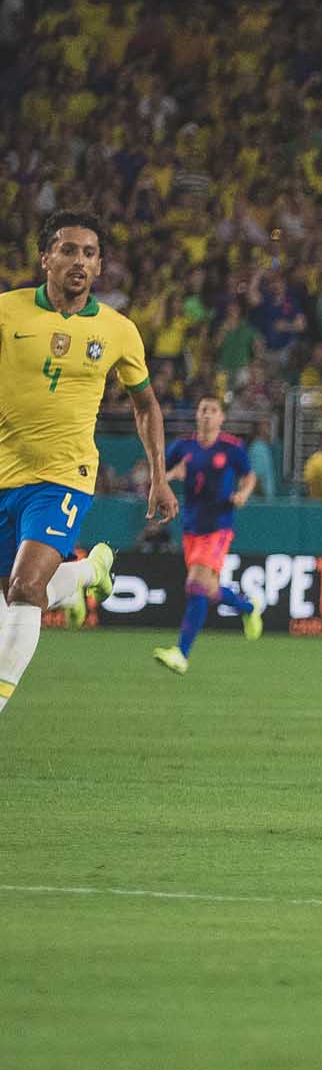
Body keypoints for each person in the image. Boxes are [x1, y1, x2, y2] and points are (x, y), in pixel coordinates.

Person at [0, 211, 176, 712]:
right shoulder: (8, 311)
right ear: (45, 258)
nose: (80, 261)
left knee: (25, 587)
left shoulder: (118, 330)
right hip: (5, 471)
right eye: (69, 250)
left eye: (90, 253)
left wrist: (159, 476)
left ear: (99, 266)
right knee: (12, 593)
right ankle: (86, 574)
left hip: (65, 476)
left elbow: (146, 406)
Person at [151, 397, 266, 674]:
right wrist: (172, 474)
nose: (207, 415)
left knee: (195, 585)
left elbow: (249, 476)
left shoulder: (231, 447)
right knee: (209, 590)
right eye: (203, 410)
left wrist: (243, 494)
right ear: (197, 415)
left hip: (219, 526)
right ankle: (248, 607)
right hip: (191, 528)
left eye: (213, 411)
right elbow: (158, 474)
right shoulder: (183, 446)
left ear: (221, 418)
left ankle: (181, 653)